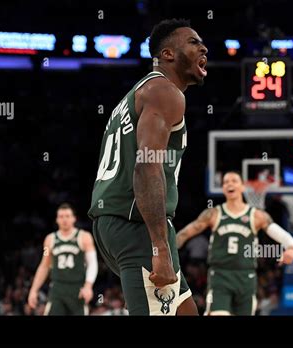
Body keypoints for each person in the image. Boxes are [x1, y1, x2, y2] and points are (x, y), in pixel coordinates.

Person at [88, 18, 208, 315]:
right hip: (136, 222)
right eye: (193, 42)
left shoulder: (136, 96)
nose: (203, 46)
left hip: (116, 220)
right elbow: (147, 167)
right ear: (167, 54)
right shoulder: (165, 93)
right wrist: (159, 247)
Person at [176, 171, 293, 315]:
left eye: (234, 181)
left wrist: (291, 247)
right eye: (226, 182)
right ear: (223, 188)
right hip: (220, 276)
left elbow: (283, 236)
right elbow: (184, 234)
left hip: (246, 278)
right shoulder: (214, 214)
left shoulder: (256, 215)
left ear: (243, 187)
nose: (229, 184)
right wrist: (167, 251)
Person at [28, 203, 98, 315]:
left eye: (67, 216)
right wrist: (34, 290)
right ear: (57, 220)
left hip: (77, 289)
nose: (64, 219)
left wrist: (88, 286)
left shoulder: (84, 237)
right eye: (61, 216)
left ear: (74, 218)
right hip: (57, 289)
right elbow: (44, 266)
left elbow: (93, 263)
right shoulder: (50, 240)